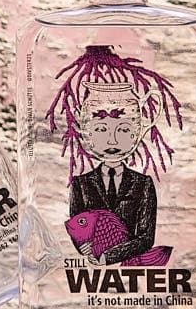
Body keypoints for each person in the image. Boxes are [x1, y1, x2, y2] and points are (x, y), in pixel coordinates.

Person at [66, 82, 162, 264]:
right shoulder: (80, 183)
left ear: (137, 131)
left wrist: (109, 256)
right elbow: (76, 226)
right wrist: (82, 247)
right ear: (86, 132)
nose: (112, 141)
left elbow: (146, 237)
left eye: (124, 130)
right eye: (101, 129)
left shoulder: (143, 184)